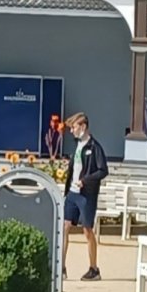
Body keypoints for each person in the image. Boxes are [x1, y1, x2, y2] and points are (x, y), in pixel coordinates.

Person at [59, 113, 108, 281]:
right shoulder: (78, 145)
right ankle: (61, 267)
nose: (72, 131)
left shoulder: (95, 147)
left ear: (83, 126)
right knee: (65, 226)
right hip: (72, 193)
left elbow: (103, 170)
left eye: (74, 127)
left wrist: (85, 181)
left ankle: (94, 269)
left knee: (87, 230)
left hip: (86, 195)